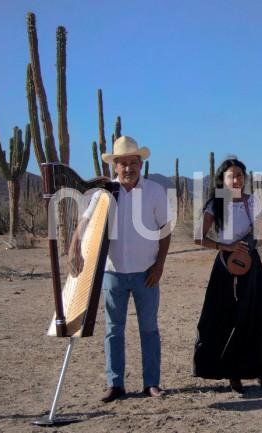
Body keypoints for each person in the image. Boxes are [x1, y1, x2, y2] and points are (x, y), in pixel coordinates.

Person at [70, 136, 172, 402]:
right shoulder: (104, 193)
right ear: (114, 166)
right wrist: (73, 246)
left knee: (148, 328)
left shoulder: (154, 191)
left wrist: (159, 266)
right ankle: (115, 384)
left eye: (133, 162)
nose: (128, 168)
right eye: (122, 163)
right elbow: (84, 222)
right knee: (114, 329)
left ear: (141, 164)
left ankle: (151, 383)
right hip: (112, 272)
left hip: (146, 272)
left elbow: (165, 231)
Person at [192, 157, 262, 393]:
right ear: (223, 179)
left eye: (240, 175)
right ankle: (233, 375)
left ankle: (261, 372)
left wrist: (261, 230)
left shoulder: (253, 202)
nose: (236, 179)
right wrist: (225, 246)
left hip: (252, 265)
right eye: (231, 176)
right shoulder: (216, 204)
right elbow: (198, 237)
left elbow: (261, 235)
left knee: (258, 317)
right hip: (225, 267)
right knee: (229, 319)